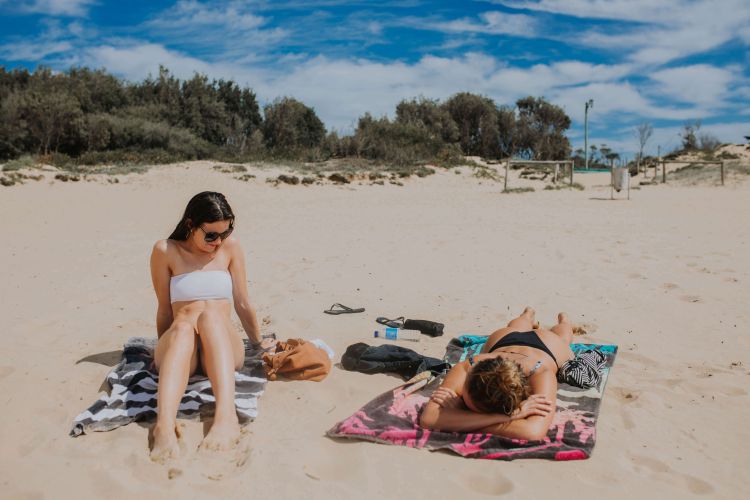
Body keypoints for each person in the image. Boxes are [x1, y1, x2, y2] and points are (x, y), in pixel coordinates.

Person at [149, 191, 273, 462]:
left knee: (210, 315)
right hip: (186, 348)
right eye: (211, 236)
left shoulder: (231, 249)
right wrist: (164, 346)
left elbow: (242, 302)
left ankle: (226, 416)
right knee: (182, 325)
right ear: (191, 225)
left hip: (222, 344)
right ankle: (164, 426)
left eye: (224, 234)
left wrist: (258, 343)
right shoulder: (165, 251)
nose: (218, 242)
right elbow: (164, 309)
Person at [419, 307, 574, 441]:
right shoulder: (470, 366)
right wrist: (508, 417)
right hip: (506, 343)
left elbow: (533, 432)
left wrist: (458, 418)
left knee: (563, 338)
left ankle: (562, 320)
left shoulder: (541, 374)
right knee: (533, 330)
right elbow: (429, 419)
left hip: (546, 347)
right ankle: (529, 314)